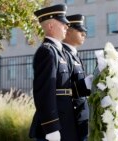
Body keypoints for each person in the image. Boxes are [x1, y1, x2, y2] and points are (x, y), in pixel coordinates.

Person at [29, 4, 79, 141]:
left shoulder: (62, 53)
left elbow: (65, 88)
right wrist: (51, 127)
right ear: (50, 26)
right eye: (62, 23)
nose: (66, 26)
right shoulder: (47, 52)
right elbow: (44, 92)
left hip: (67, 120)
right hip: (55, 124)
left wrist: (88, 84)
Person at [62, 14, 91, 141]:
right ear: (68, 32)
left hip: (80, 118)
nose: (84, 34)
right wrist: (87, 83)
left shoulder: (74, 54)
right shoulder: (62, 54)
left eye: (84, 31)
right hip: (71, 118)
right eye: (80, 31)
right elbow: (62, 89)